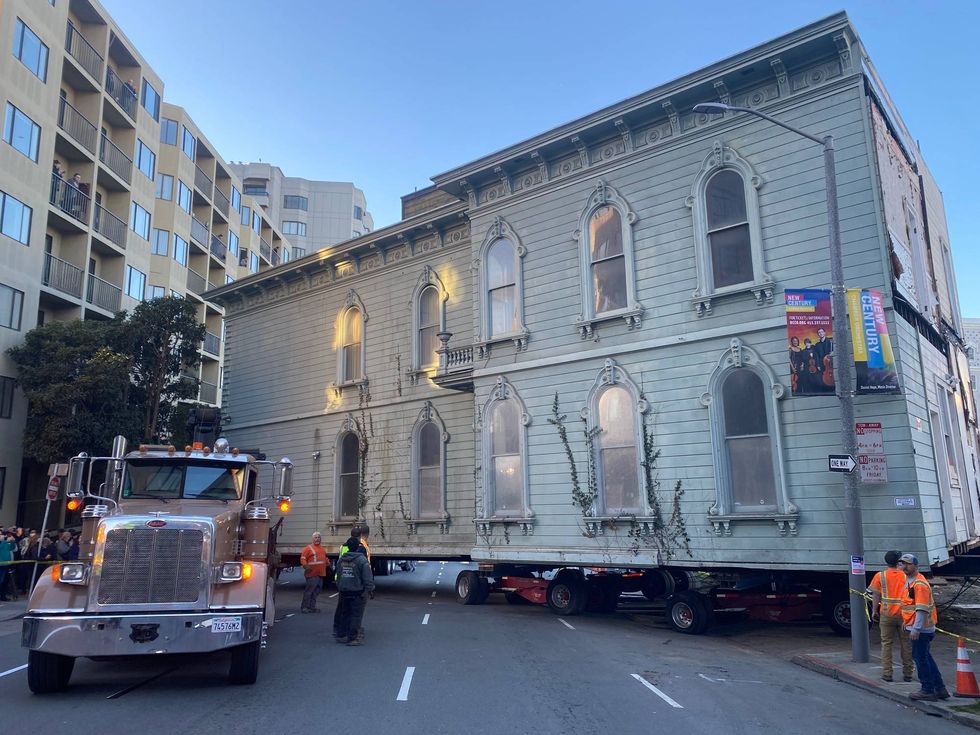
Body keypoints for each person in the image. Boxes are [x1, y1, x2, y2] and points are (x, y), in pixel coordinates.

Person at [899, 553, 949, 701]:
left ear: (916, 566)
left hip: (921, 629)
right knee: (926, 657)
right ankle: (940, 688)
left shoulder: (919, 585)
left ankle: (927, 689)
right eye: (903, 563)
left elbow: (921, 609)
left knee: (920, 658)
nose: (905, 566)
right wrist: (907, 622)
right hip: (920, 627)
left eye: (908, 564)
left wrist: (915, 628)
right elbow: (911, 606)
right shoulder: (910, 581)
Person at [868, 550, 913, 683]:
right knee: (906, 644)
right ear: (899, 561)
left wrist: (874, 611)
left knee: (886, 644)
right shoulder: (906, 576)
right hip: (904, 614)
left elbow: (875, 595)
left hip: (886, 613)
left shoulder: (880, 576)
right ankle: (908, 674)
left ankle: (887, 674)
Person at [335, 536, 375, 645]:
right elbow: (367, 578)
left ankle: (342, 635)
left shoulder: (341, 559)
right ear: (358, 547)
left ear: (348, 547)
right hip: (357, 592)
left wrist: (340, 587)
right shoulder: (362, 560)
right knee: (355, 615)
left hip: (344, 591)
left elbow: (338, 575)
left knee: (344, 613)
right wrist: (370, 590)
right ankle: (352, 638)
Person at [299, 532, 328, 613]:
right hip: (312, 574)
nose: (317, 539)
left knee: (316, 592)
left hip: (320, 574)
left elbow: (323, 559)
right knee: (309, 591)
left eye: (319, 537)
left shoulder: (322, 549)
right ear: (312, 539)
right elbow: (303, 559)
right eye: (315, 537)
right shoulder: (308, 548)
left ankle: (312, 607)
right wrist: (306, 566)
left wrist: (327, 562)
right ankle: (304, 607)